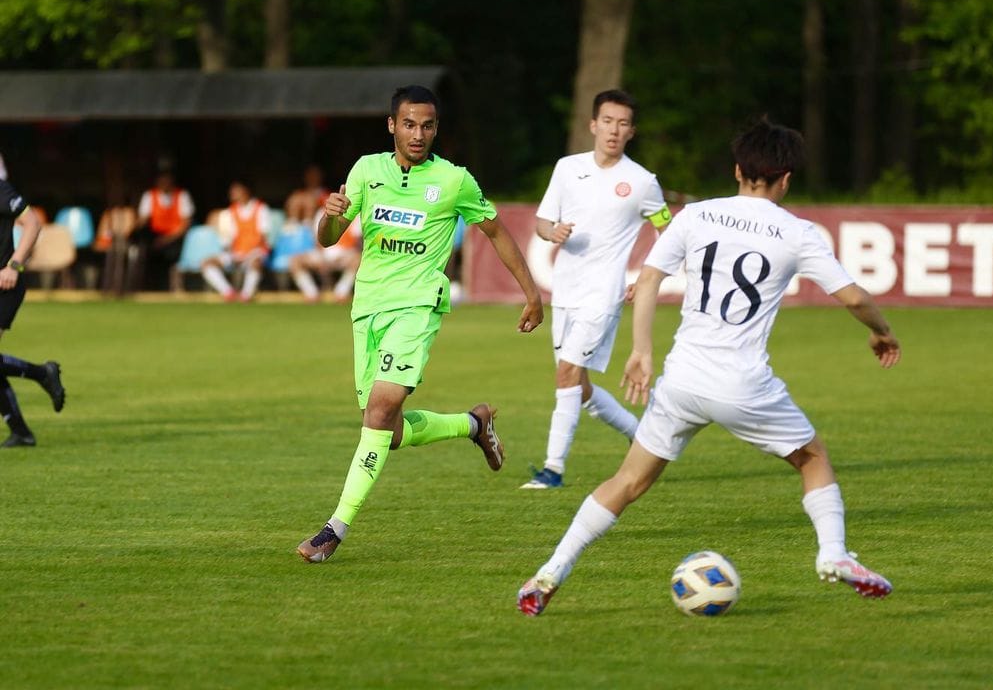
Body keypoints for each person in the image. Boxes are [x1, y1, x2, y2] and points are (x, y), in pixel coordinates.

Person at [517, 117, 901, 615]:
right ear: (786, 178)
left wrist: (641, 351)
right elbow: (852, 296)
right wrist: (881, 330)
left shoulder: (697, 216)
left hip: (682, 379)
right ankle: (833, 554)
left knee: (628, 481)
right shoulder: (798, 232)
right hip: (743, 382)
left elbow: (650, 279)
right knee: (812, 458)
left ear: (738, 168)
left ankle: (551, 570)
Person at [296, 85, 544, 563]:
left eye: (427, 125)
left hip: (417, 309)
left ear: (436, 129)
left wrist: (532, 292)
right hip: (368, 308)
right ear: (392, 125)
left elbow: (496, 231)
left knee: (380, 409)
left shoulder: (454, 181)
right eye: (409, 124)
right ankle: (473, 425)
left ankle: (334, 530)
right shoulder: (367, 171)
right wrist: (328, 218)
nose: (418, 133)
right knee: (384, 431)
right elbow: (328, 240)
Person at [522, 89, 672, 490]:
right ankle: (644, 437)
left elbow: (668, 231)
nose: (614, 129)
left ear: (631, 132)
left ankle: (553, 469)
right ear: (593, 124)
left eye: (623, 123)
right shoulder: (568, 168)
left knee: (567, 374)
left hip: (603, 293)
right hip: (565, 290)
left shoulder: (642, 182)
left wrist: (646, 277)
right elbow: (541, 221)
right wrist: (551, 231)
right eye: (607, 121)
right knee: (580, 387)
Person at [0, 175, 66, 447]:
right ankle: (21, 431)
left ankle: (42, 374)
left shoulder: (0, 190)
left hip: (4, 283)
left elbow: (33, 222)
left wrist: (14, 265)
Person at [200, 179, 271, 302]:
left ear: (245, 191)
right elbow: (226, 240)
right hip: (236, 253)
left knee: (256, 263)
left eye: (236, 190)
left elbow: (263, 237)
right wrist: (234, 254)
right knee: (207, 263)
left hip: (256, 252)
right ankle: (228, 292)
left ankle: (246, 295)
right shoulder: (229, 212)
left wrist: (246, 254)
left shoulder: (261, 208)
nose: (232, 194)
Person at [133, 169, 195, 290]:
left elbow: (185, 224)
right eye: (162, 181)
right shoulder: (149, 195)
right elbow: (143, 220)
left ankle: (173, 287)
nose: (164, 184)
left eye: (167, 181)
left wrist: (167, 239)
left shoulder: (182, 195)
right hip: (155, 236)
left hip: (176, 237)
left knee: (173, 255)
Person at [288, 205, 362, 303]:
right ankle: (311, 294)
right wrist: (322, 257)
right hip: (322, 253)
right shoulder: (322, 211)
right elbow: (317, 238)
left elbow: (356, 241)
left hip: (345, 254)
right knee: (295, 260)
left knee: (358, 258)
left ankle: (341, 293)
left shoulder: (356, 214)